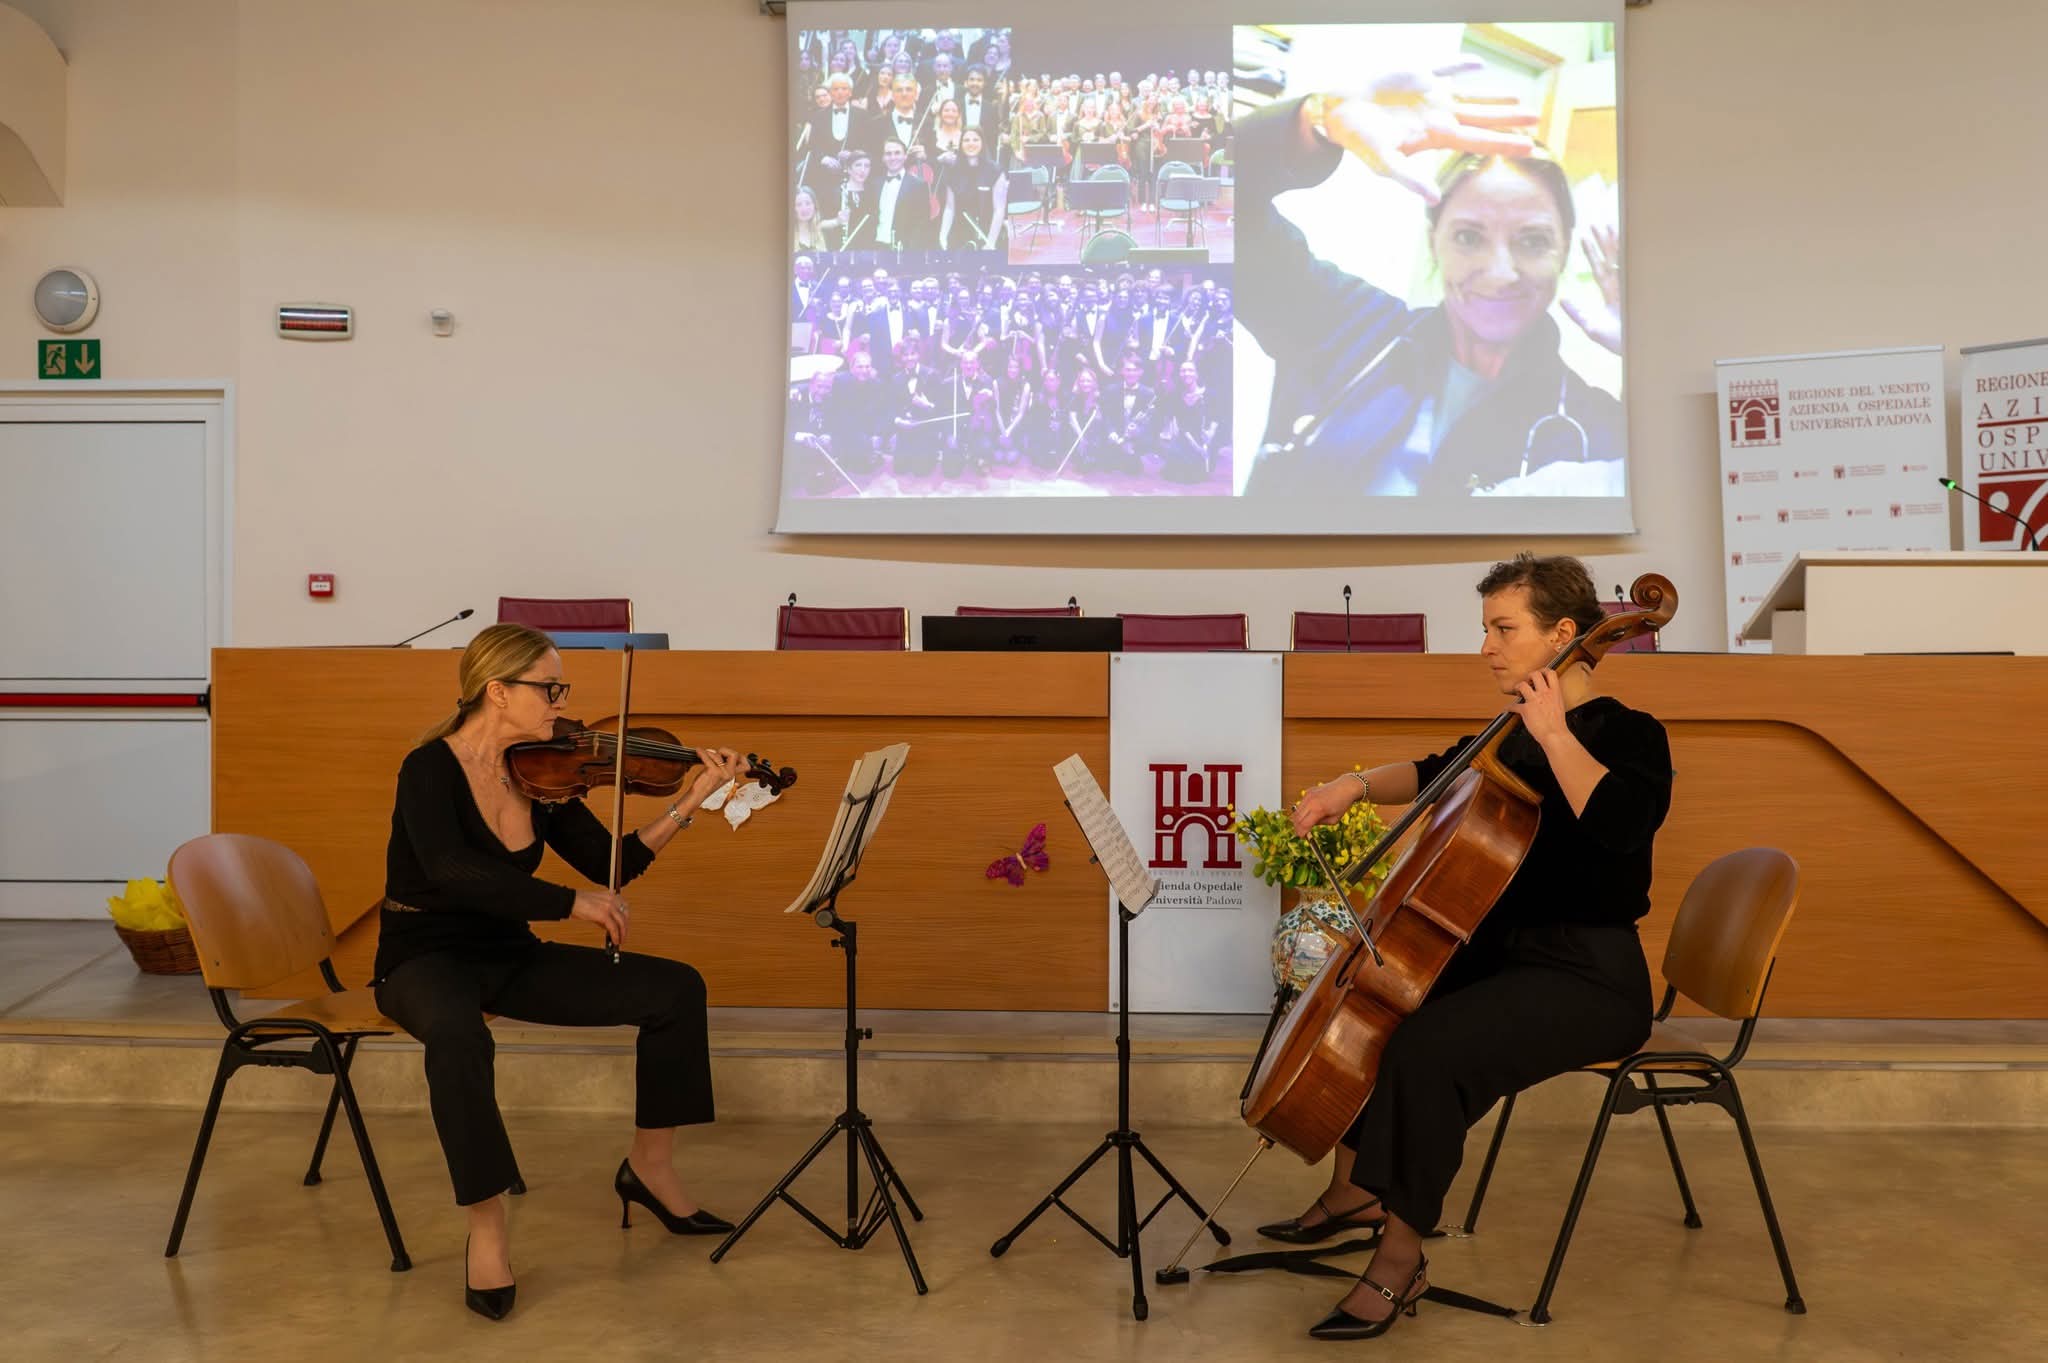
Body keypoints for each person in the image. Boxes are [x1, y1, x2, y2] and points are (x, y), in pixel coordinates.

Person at [1265, 554, 1669, 1339]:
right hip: (1511, 958)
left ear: (1563, 633)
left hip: (1592, 976)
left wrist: (1554, 734)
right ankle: (1357, 1190)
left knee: (1431, 1050)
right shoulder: (1509, 735)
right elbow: (1434, 772)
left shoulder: (1630, 733)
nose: (1487, 646)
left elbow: (1622, 825)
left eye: (1503, 628)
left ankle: (1399, 1259)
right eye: (1486, 628)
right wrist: (1350, 786)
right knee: (1385, 1006)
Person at [373, 625, 747, 1321]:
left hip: (508, 953)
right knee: (458, 1036)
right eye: (550, 688)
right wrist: (570, 903)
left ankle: (649, 1168)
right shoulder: (428, 768)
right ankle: (487, 1228)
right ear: (497, 691)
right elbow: (451, 869)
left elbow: (613, 863)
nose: (562, 703)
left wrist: (692, 798)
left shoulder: (542, 773)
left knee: (676, 989)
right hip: (422, 956)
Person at [1238, 64, 1624, 499]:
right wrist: (1315, 121)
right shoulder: (1342, 325)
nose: (1501, 273)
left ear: (1564, 250)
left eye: (1533, 241)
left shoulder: (1597, 431)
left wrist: (1652, 357)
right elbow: (1196, 207)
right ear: (1433, 241)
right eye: (1469, 237)